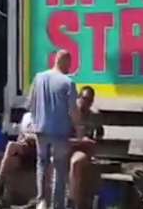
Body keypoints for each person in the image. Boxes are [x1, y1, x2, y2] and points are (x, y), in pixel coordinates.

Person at [30, 50, 80, 209]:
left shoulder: (38, 78)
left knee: (42, 164)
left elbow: (31, 102)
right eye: (69, 63)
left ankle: (41, 201)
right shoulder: (68, 83)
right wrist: (79, 128)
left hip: (40, 129)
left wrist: (35, 121)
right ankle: (57, 205)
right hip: (59, 131)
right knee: (59, 168)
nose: (70, 67)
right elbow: (73, 111)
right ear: (64, 61)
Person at [0, 111, 39, 208]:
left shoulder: (49, 116)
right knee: (12, 149)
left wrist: (31, 138)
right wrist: (25, 139)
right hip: (27, 152)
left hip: (42, 152)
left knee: (12, 147)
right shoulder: (27, 116)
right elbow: (20, 138)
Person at [68, 85, 104, 209]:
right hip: (67, 147)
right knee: (52, 160)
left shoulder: (94, 116)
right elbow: (62, 139)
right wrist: (80, 140)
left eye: (90, 100)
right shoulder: (69, 115)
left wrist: (94, 142)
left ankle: (71, 203)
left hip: (83, 151)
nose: (87, 103)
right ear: (78, 98)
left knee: (75, 162)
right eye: (84, 99)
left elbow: (99, 135)